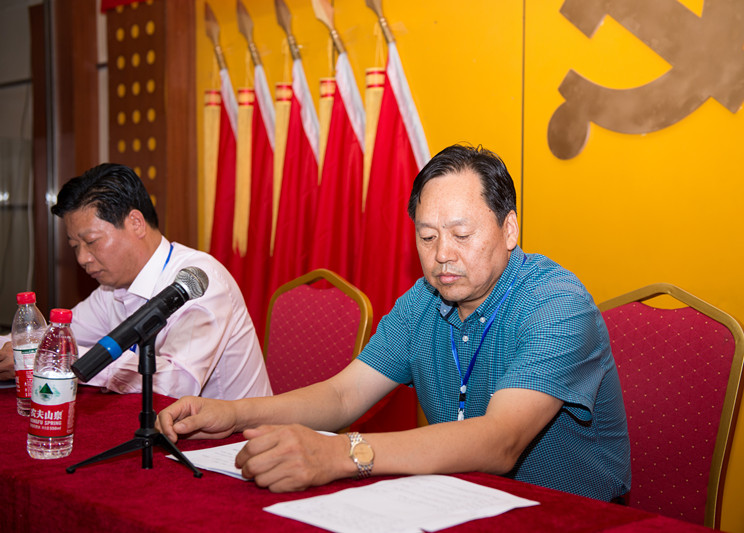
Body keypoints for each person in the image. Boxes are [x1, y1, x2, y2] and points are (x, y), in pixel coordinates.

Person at [155, 144, 631, 501]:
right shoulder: (422, 302)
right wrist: (234, 413)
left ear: (509, 229)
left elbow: (500, 441)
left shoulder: (557, 304)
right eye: (427, 237)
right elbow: (343, 396)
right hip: (458, 501)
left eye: (462, 234)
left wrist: (341, 454)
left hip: (570, 517)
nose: (442, 255)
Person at [0, 163, 271, 400]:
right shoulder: (111, 288)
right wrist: (17, 348)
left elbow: (179, 385)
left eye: (91, 242)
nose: (82, 258)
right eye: (74, 246)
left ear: (136, 223)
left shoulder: (197, 282)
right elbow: (57, 336)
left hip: (235, 437)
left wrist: (59, 357)